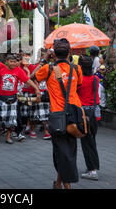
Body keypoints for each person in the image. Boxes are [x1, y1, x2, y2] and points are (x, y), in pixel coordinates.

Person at [33, 38, 83, 189]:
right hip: (74, 115)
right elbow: (78, 85)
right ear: (69, 53)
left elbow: (30, 78)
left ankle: (65, 184)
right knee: (69, 150)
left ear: (53, 54)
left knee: (60, 151)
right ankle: (59, 183)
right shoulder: (76, 69)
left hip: (57, 116)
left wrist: (43, 60)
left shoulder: (48, 69)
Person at [0, 54, 41, 144]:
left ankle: (8, 137)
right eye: (11, 61)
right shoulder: (1, 71)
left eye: (15, 62)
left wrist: (36, 88)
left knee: (11, 119)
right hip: (2, 98)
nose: (13, 63)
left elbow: (28, 80)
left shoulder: (19, 71)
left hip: (13, 99)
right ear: (7, 62)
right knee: (0, 118)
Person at [77, 55, 101, 181]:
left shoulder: (79, 80)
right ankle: (93, 167)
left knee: (86, 142)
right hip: (94, 112)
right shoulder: (95, 78)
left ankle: (92, 170)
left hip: (84, 113)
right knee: (92, 141)